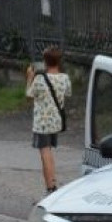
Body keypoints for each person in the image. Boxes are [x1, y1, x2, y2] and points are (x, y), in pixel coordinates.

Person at [26, 46, 71, 194]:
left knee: (45, 154)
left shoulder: (39, 79)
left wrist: (29, 78)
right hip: (56, 122)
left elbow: (29, 94)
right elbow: (67, 94)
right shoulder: (65, 78)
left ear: (45, 62)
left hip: (42, 124)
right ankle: (51, 184)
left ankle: (51, 187)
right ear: (59, 61)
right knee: (49, 152)